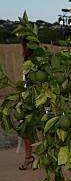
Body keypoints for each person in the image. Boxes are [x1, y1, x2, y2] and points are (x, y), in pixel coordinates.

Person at [19, 39, 35, 170]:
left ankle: (36, 157)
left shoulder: (35, 62)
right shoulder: (26, 61)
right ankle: (29, 157)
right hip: (27, 99)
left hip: (35, 99)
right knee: (25, 129)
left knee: (31, 129)